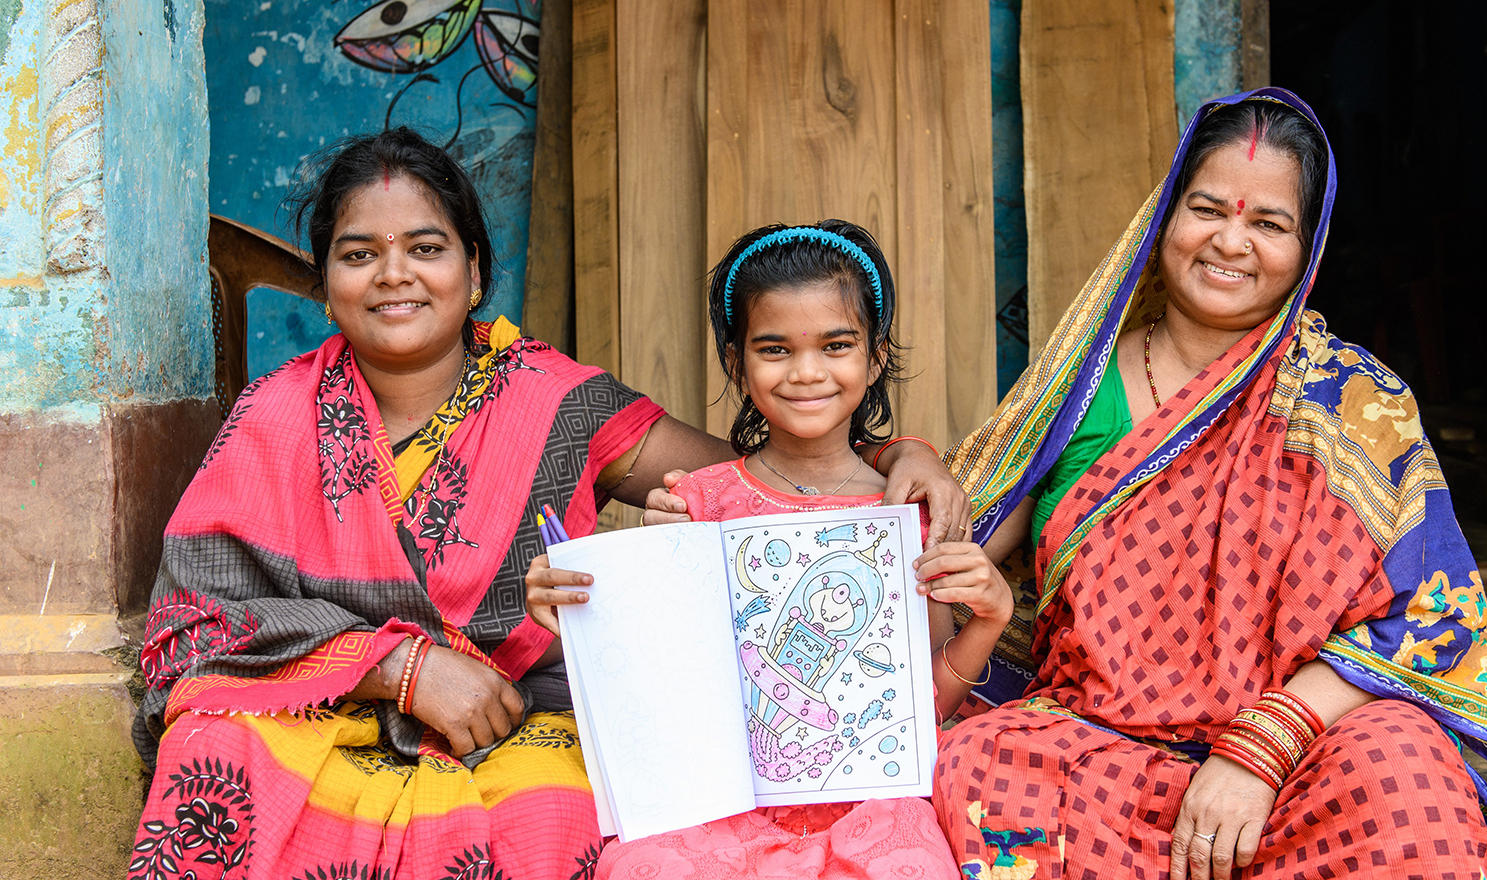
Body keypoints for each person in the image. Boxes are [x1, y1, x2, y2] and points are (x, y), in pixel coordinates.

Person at [126, 128, 969, 880]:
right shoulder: (275, 413)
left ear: (475, 270)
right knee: (213, 748)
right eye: (358, 254)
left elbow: (774, 473)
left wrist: (901, 455)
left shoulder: (553, 399)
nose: (393, 275)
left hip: (515, 719)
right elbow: (193, 621)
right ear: (325, 283)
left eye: (425, 247)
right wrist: (400, 669)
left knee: (560, 807)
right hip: (325, 707)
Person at [933, 89, 1487, 880]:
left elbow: (1425, 619)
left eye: (1267, 224)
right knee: (976, 765)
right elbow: (945, 550)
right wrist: (899, 461)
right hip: (1100, 743)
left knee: (1403, 770)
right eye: (1207, 209)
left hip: (1295, 754)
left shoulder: (1354, 402)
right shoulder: (1078, 384)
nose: (1230, 242)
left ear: (1306, 247)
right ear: (1164, 217)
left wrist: (1259, 748)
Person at [524, 220, 1013, 879]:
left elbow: (918, 710)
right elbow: (655, 693)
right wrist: (577, 606)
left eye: (836, 345)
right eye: (774, 349)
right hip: (712, 810)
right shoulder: (693, 505)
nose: (807, 371)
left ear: (874, 358)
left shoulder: (904, 517)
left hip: (872, 811)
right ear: (736, 362)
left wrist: (988, 621)